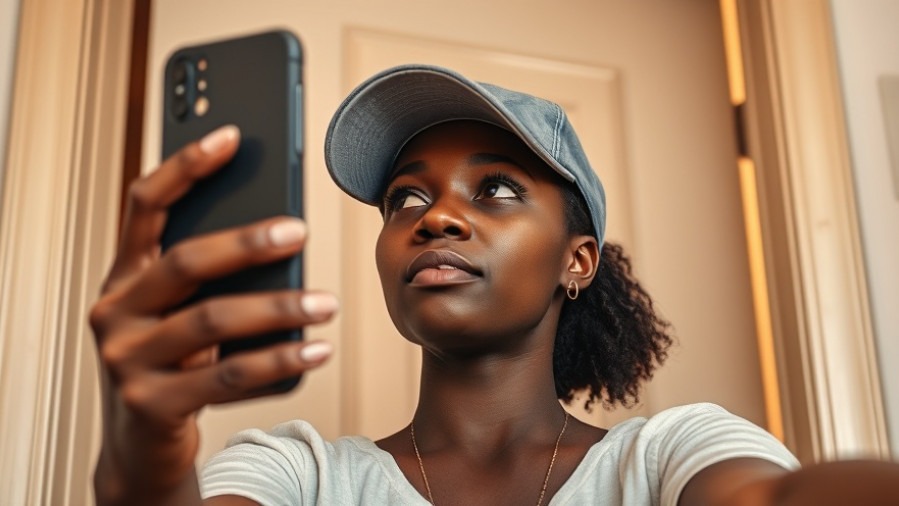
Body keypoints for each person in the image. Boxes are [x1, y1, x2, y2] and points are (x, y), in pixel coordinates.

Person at [91, 64, 899, 506]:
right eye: (405, 198)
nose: (435, 217)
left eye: (497, 189)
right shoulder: (300, 475)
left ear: (576, 261)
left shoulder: (665, 458)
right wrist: (144, 453)